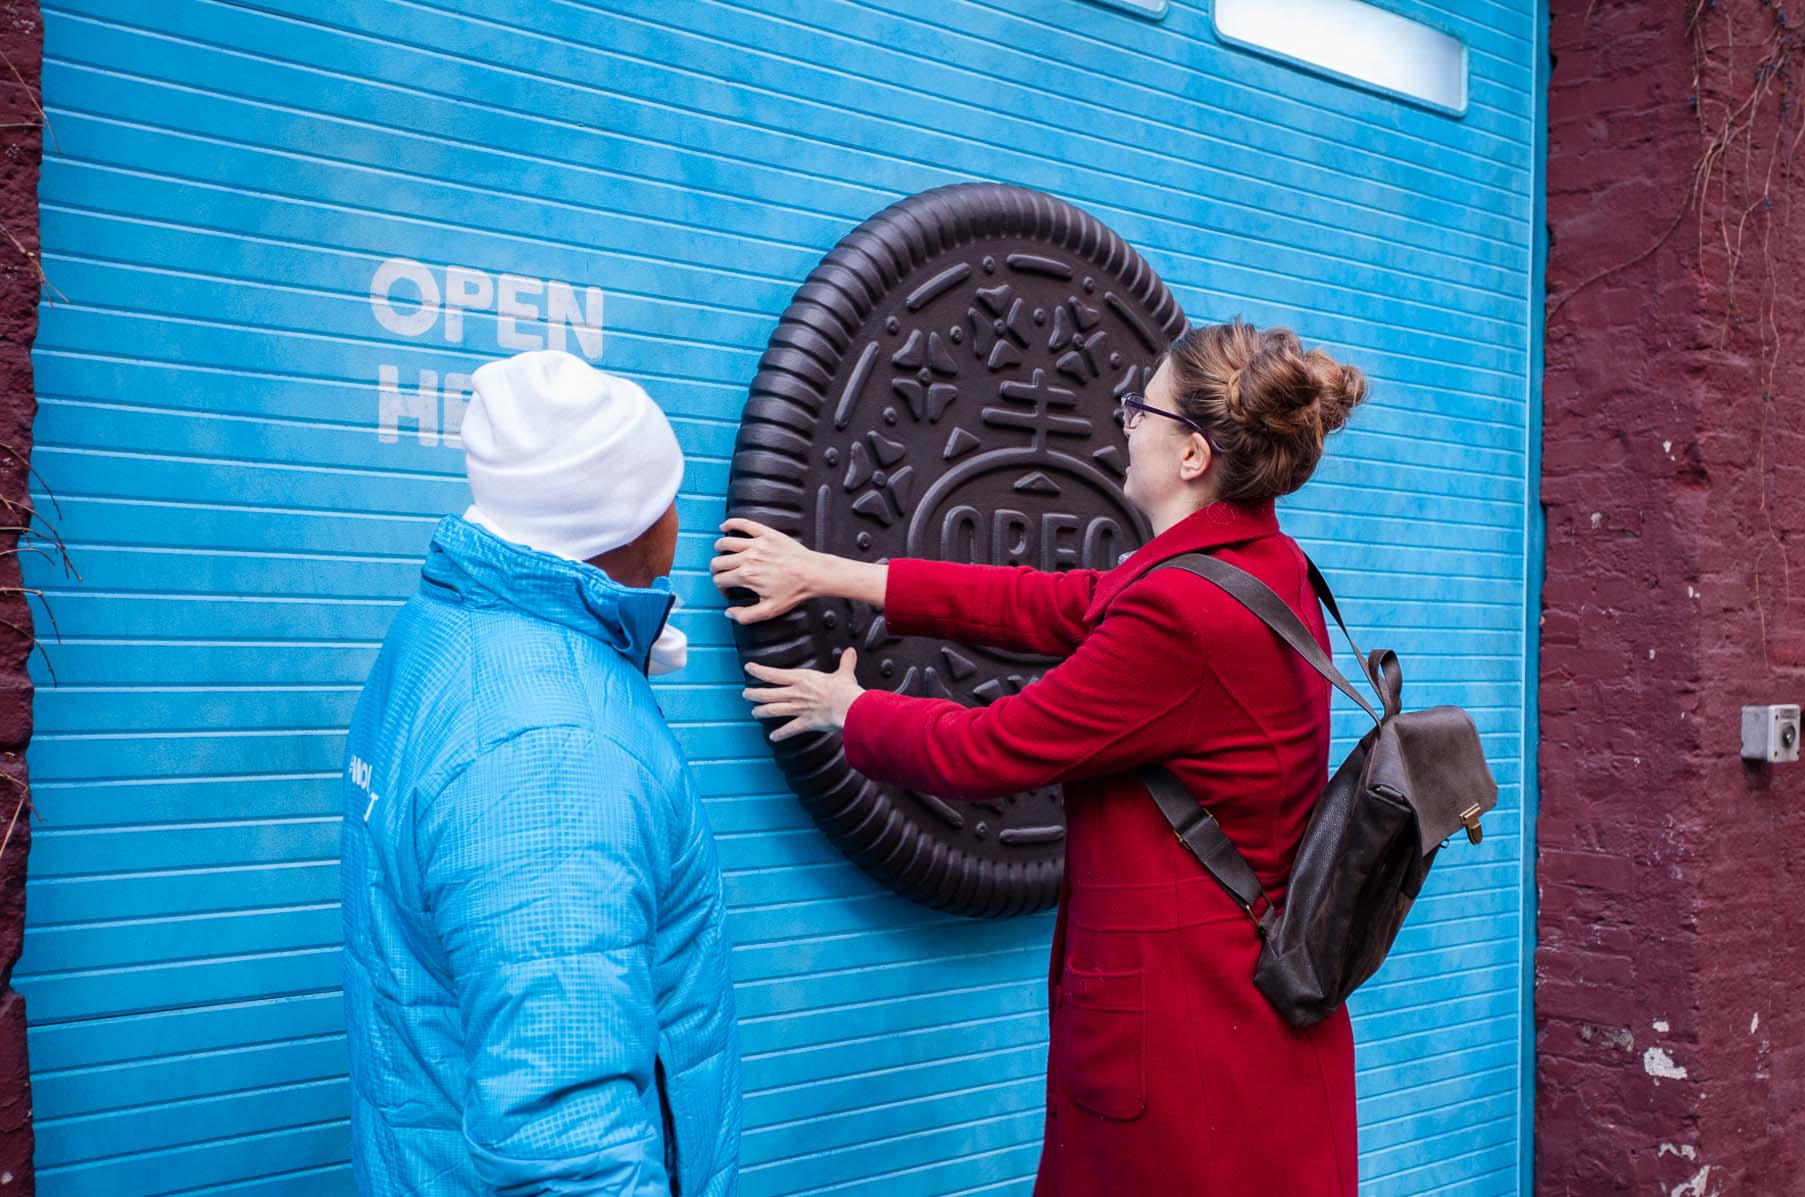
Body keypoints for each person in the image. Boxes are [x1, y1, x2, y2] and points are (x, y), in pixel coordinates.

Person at [716, 320, 1367, 1196]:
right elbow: (1058, 602)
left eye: (1144, 408)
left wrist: (850, 707)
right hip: (1256, 1016)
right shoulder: (1260, 563)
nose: (1125, 423)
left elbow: (991, 748)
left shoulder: (1184, 611)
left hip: (1192, 1043)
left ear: (1191, 455)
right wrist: (834, 574)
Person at [341, 349, 739, 1196]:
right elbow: (565, 1139)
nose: (680, 514)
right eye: (668, 490)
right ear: (630, 520)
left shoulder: (448, 628)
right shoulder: (550, 753)